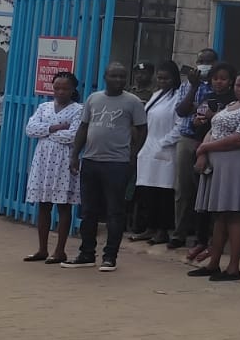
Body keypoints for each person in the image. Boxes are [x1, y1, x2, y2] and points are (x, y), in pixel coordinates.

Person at [65, 63, 148, 272]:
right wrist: (75, 154)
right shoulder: (93, 99)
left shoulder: (133, 102)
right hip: (91, 160)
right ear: (105, 77)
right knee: (88, 211)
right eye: (114, 76)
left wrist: (133, 154)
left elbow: (142, 129)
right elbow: (84, 127)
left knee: (115, 211)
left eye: (122, 76)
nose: (118, 80)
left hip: (117, 163)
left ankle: (110, 257)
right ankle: (86, 254)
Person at [188, 70, 240, 281]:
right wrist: (203, 152)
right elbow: (213, 128)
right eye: (238, 85)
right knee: (220, 215)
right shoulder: (232, 105)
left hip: (239, 163)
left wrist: (205, 148)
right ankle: (213, 263)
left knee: (235, 214)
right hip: (219, 165)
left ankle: (233, 268)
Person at [21, 72, 83, 263]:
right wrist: (54, 128)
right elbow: (30, 129)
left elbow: (73, 136)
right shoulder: (44, 107)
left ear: (73, 90)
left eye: (65, 88)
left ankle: (60, 251)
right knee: (43, 205)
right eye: (57, 88)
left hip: (64, 160)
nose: (60, 92)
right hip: (43, 160)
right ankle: (42, 249)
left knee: (63, 206)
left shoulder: (78, 110)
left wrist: (45, 132)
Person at [178, 62, 235, 260]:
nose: (219, 82)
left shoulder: (234, 101)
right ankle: (200, 240)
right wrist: (196, 122)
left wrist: (213, 116)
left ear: (231, 81)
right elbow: (193, 118)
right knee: (200, 198)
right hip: (201, 149)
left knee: (218, 200)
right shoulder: (208, 97)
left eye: (223, 78)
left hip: (222, 153)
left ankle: (215, 242)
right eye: (215, 78)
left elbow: (231, 126)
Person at [171, 49, 221, 250]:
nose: (204, 64)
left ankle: (208, 235)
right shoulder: (187, 85)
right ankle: (179, 233)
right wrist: (194, 87)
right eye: (201, 60)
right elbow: (182, 110)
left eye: (208, 61)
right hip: (187, 138)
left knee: (208, 188)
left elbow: (214, 109)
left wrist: (197, 107)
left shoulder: (218, 85)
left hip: (212, 141)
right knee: (183, 188)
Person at [132, 61, 183, 247]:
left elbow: (180, 126)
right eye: (160, 78)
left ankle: (162, 231)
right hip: (149, 147)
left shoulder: (178, 97)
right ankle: (150, 227)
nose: (162, 81)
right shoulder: (156, 95)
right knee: (148, 191)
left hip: (165, 148)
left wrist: (163, 143)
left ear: (174, 79)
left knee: (164, 192)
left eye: (166, 78)